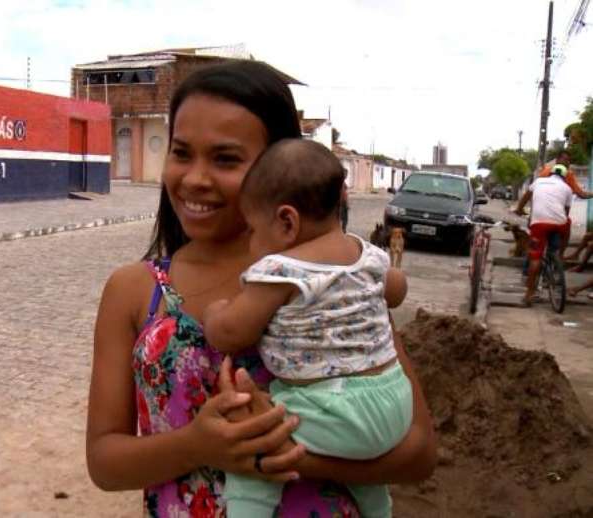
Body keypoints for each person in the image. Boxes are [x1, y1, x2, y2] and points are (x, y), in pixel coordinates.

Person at [87, 60, 437, 517]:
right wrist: (198, 446)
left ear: (280, 167)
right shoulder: (133, 290)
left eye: (226, 159)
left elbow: (419, 452)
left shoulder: (328, 282)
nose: (194, 177)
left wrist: (277, 456)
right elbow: (104, 460)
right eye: (181, 152)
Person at [202, 139, 411, 518]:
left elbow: (231, 333)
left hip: (336, 410)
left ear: (286, 222)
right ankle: (378, 510)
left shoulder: (281, 271)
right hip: (394, 403)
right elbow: (397, 290)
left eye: (252, 230)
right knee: (366, 469)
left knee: (256, 447)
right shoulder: (369, 255)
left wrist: (216, 311)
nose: (251, 242)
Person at [515, 164, 574, 306]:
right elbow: (566, 212)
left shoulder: (539, 181)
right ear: (564, 177)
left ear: (550, 173)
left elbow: (525, 197)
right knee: (566, 225)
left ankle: (529, 295)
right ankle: (559, 255)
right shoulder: (567, 188)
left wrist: (519, 209)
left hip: (539, 224)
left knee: (535, 257)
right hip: (559, 224)